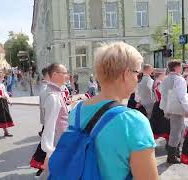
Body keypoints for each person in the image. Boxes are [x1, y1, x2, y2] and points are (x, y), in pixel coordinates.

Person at [54, 42, 158, 179]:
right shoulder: (133, 122)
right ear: (126, 74)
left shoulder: (77, 111)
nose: (137, 80)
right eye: (137, 74)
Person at [160, 60, 188, 164]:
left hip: (169, 107)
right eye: (180, 66)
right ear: (176, 68)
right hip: (177, 108)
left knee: (180, 129)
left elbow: (163, 95)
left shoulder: (165, 79)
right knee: (176, 132)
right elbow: (182, 96)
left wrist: (165, 108)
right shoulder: (179, 79)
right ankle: (171, 156)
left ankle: (176, 152)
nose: (181, 68)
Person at [41, 63, 69, 174]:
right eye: (65, 73)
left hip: (62, 140)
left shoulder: (56, 93)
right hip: (59, 143)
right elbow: (49, 127)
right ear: (55, 75)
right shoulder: (53, 97)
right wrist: (49, 152)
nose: (67, 76)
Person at [30, 67, 50, 176]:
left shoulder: (48, 88)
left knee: (46, 146)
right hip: (50, 122)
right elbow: (44, 108)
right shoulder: (46, 89)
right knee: (46, 146)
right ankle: (42, 169)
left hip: (50, 122)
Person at [149, 68, 170, 142]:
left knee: (157, 123)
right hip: (161, 104)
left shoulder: (155, 82)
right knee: (164, 124)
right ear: (161, 74)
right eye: (164, 74)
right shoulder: (159, 83)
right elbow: (163, 95)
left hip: (157, 104)